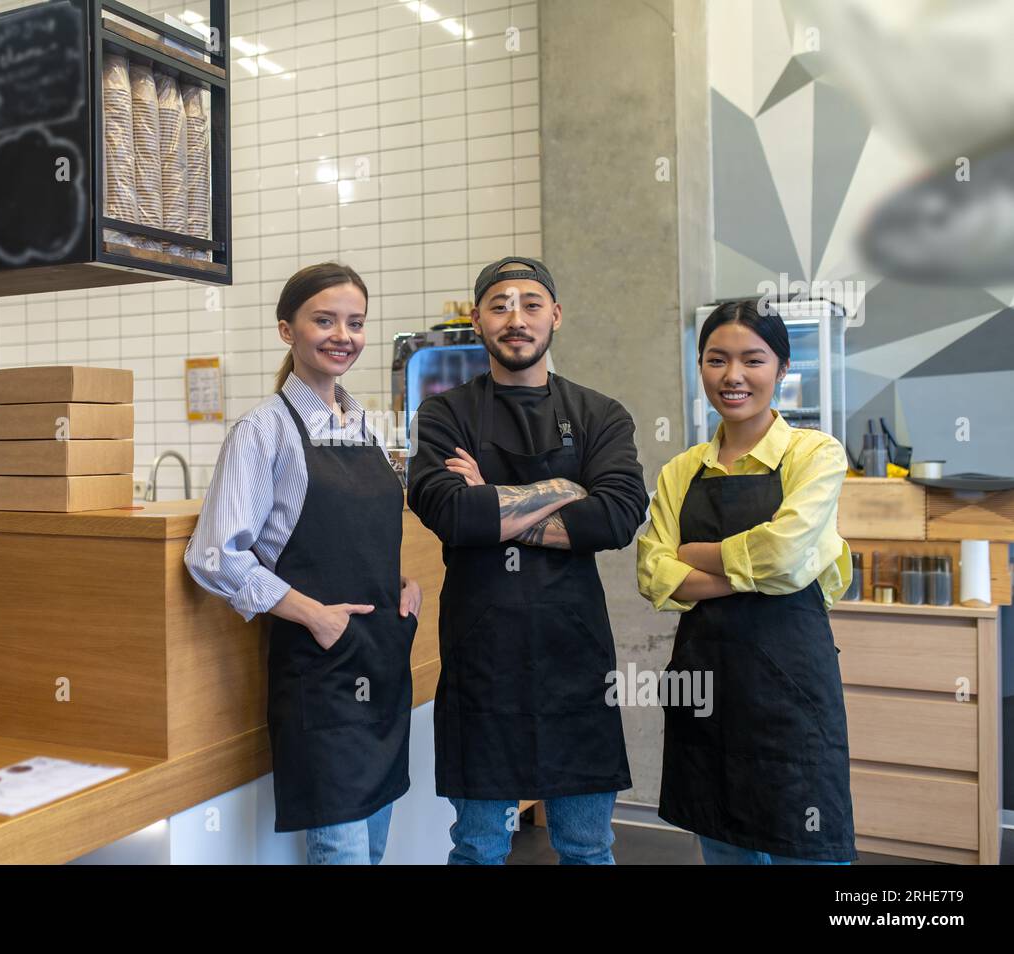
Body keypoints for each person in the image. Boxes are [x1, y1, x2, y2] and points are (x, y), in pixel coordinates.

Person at [407, 257, 648, 864]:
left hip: (575, 657)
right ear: (478, 319)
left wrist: (490, 501)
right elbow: (449, 513)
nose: (516, 318)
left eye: (531, 303)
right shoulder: (444, 414)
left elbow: (618, 516)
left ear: (555, 316)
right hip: (482, 658)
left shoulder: (601, 414)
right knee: (479, 846)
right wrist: (568, 491)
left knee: (588, 847)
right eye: (499, 304)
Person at [184, 262, 422, 865]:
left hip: (383, 661)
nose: (343, 334)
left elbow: (355, 535)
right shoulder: (262, 432)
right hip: (320, 673)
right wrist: (314, 615)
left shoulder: (364, 425)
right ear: (288, 330)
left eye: (355, 322)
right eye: (324, 320)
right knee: (341, 851)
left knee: (371, 851)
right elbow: (213, 556)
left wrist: (398, 585)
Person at [637, 298, 857, 865]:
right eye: (717, 360)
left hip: (791, 690)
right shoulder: (680, 471)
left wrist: (698, 556)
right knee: (724, 847)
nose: (733, 377)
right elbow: (655, 575)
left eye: (752, 360)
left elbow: (785, 554)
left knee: (806, 844)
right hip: (706, 688)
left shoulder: (815, 453)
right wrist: (758, 574)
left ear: (782, 369)